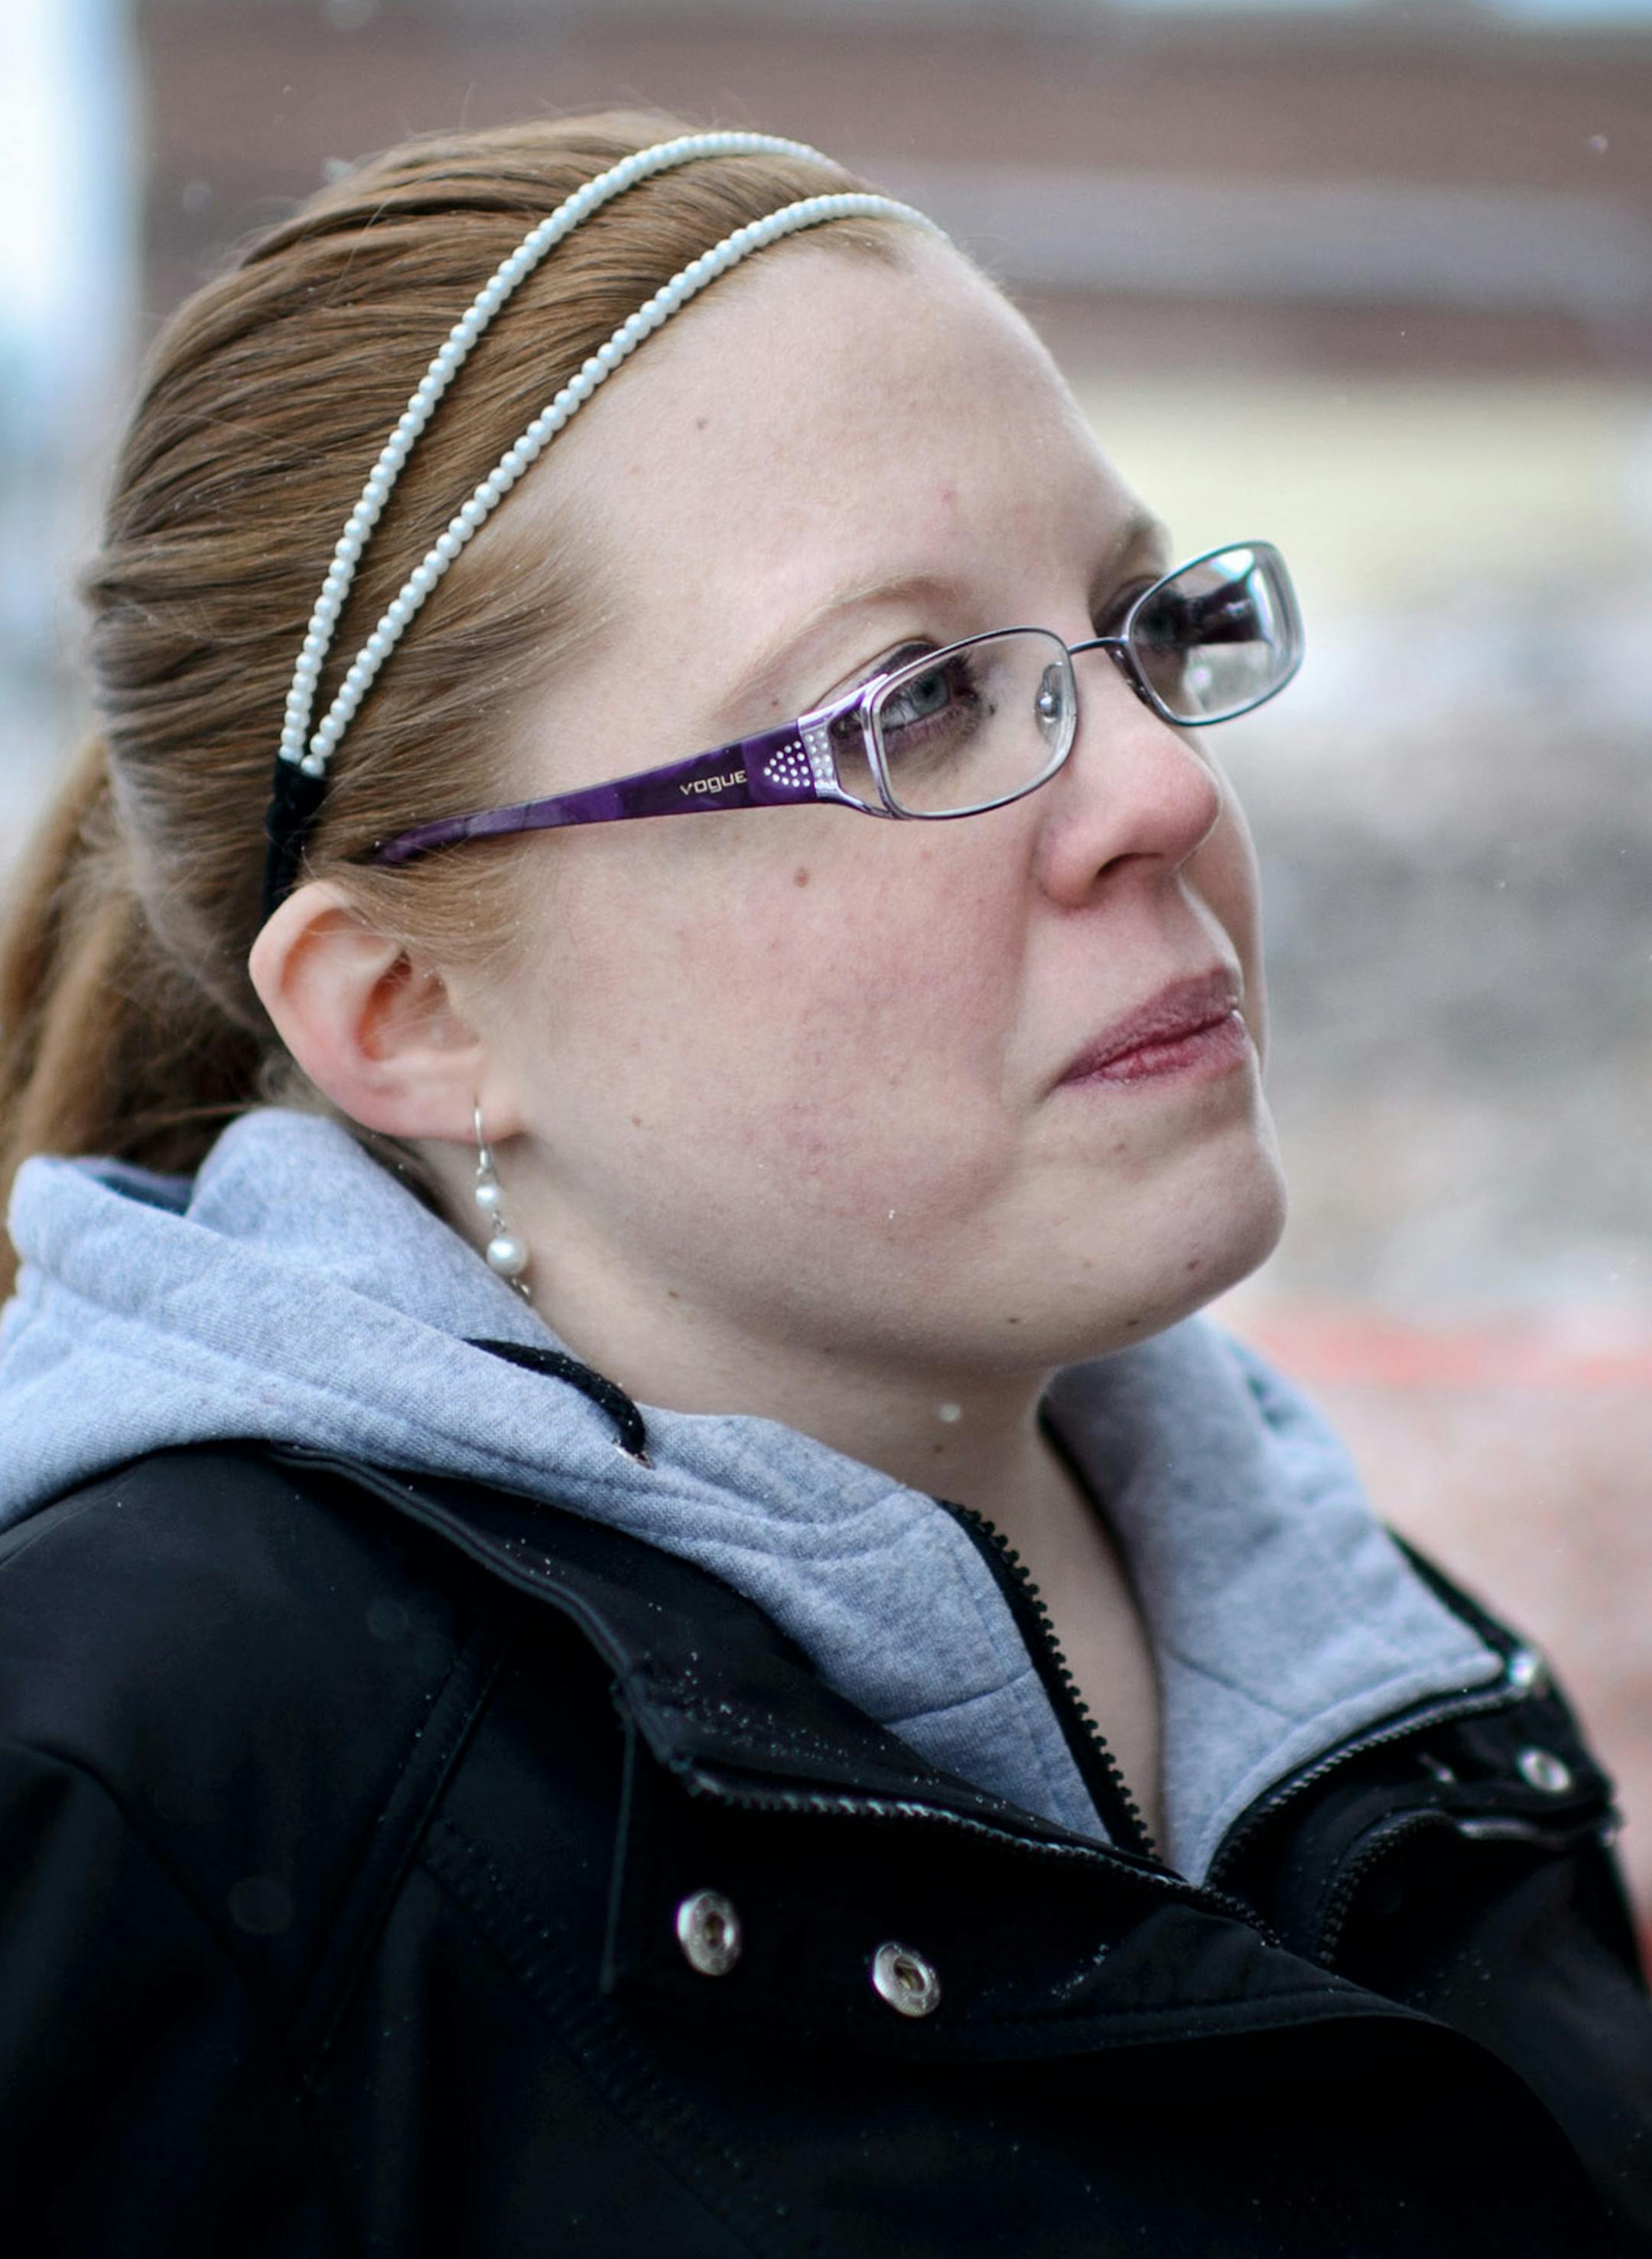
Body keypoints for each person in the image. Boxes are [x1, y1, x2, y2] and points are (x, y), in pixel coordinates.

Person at [0, 112, 1645, 2258]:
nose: (1160, 780)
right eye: (910, 704)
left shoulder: (1382, 1666)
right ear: (406, 1005)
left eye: (1140, 621)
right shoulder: (139, 1808)